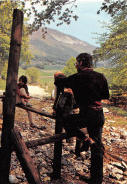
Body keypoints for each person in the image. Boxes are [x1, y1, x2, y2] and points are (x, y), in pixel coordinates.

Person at [54, 53, 109, 184]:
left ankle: (85, 138)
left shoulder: (78, 78)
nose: (76, 66)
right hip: (99, 115)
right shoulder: (101, 77)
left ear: (82, 63)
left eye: (76, 63)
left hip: (87, 114)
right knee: (97, 148)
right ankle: (96, 180)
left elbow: (59, 83)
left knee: (66, 121)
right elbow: (105, 95)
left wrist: (59, 76)